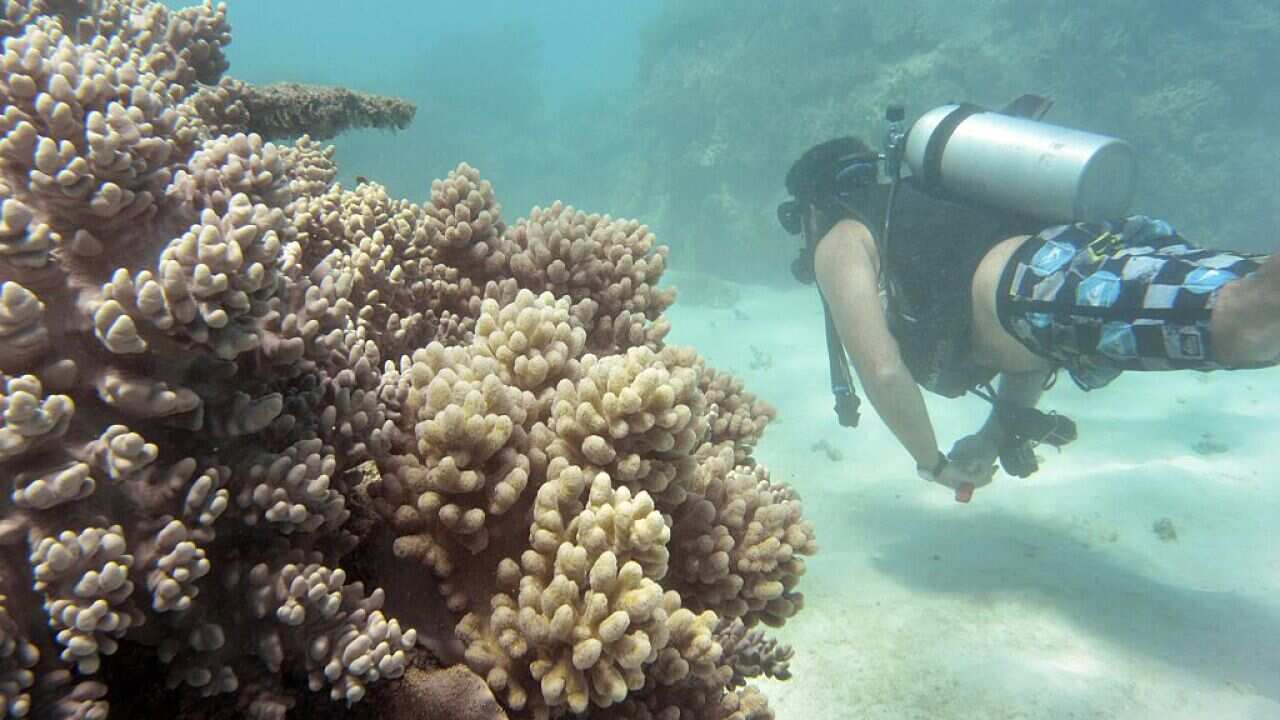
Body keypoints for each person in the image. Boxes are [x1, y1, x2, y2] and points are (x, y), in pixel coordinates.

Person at [780, 135, 1279, 502]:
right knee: (1248, 296)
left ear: (810, 208)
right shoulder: (921, 205)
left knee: (1244, 319)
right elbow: (1026, 354)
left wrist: (933, 465)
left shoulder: (840, 237)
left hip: (1048, 289)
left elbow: (883, 371)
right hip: (1071, 267)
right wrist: (993, 434)